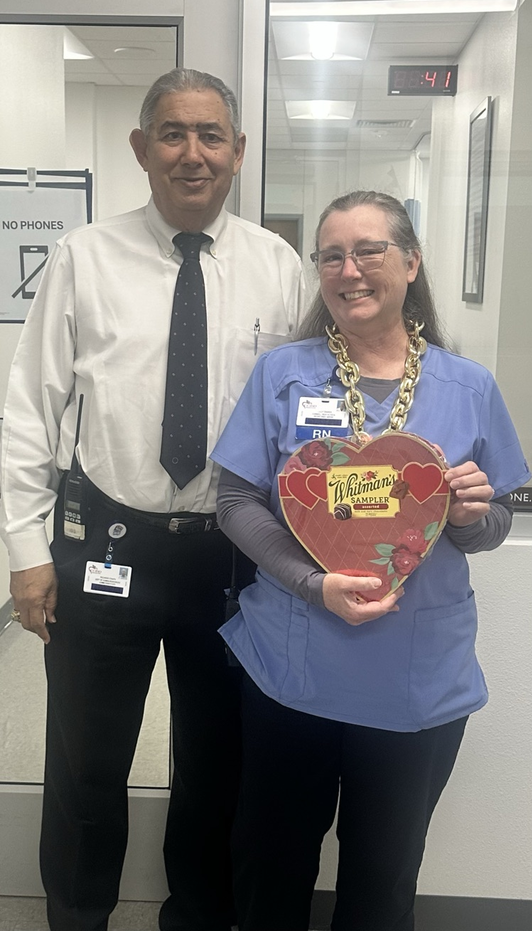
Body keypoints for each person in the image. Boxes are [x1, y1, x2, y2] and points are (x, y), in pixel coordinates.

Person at [0, 67, 306, 931]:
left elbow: (301, 421)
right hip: (105, 542)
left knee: (218, 767)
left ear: (237, 153)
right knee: (86, 766)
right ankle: (78, 916)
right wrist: (26, 555)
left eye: (211, 135)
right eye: (172, 134)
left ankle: (197, 919)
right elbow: (29, 411)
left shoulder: (277, 267)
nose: (192, 153)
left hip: (232, 558)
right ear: (142, 150)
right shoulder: (82, 257)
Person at [211, 190, 530, 931]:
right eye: (330, 255)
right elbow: (235, 502)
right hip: (293, 669)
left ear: (411, 263)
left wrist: (472, 517)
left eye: (368, 251)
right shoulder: (283, 375)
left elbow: (491, 526)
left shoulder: (468, 387)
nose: (348, 270)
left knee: (382, 882)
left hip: (414, 686)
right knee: (270, 864)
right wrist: (310, 584)